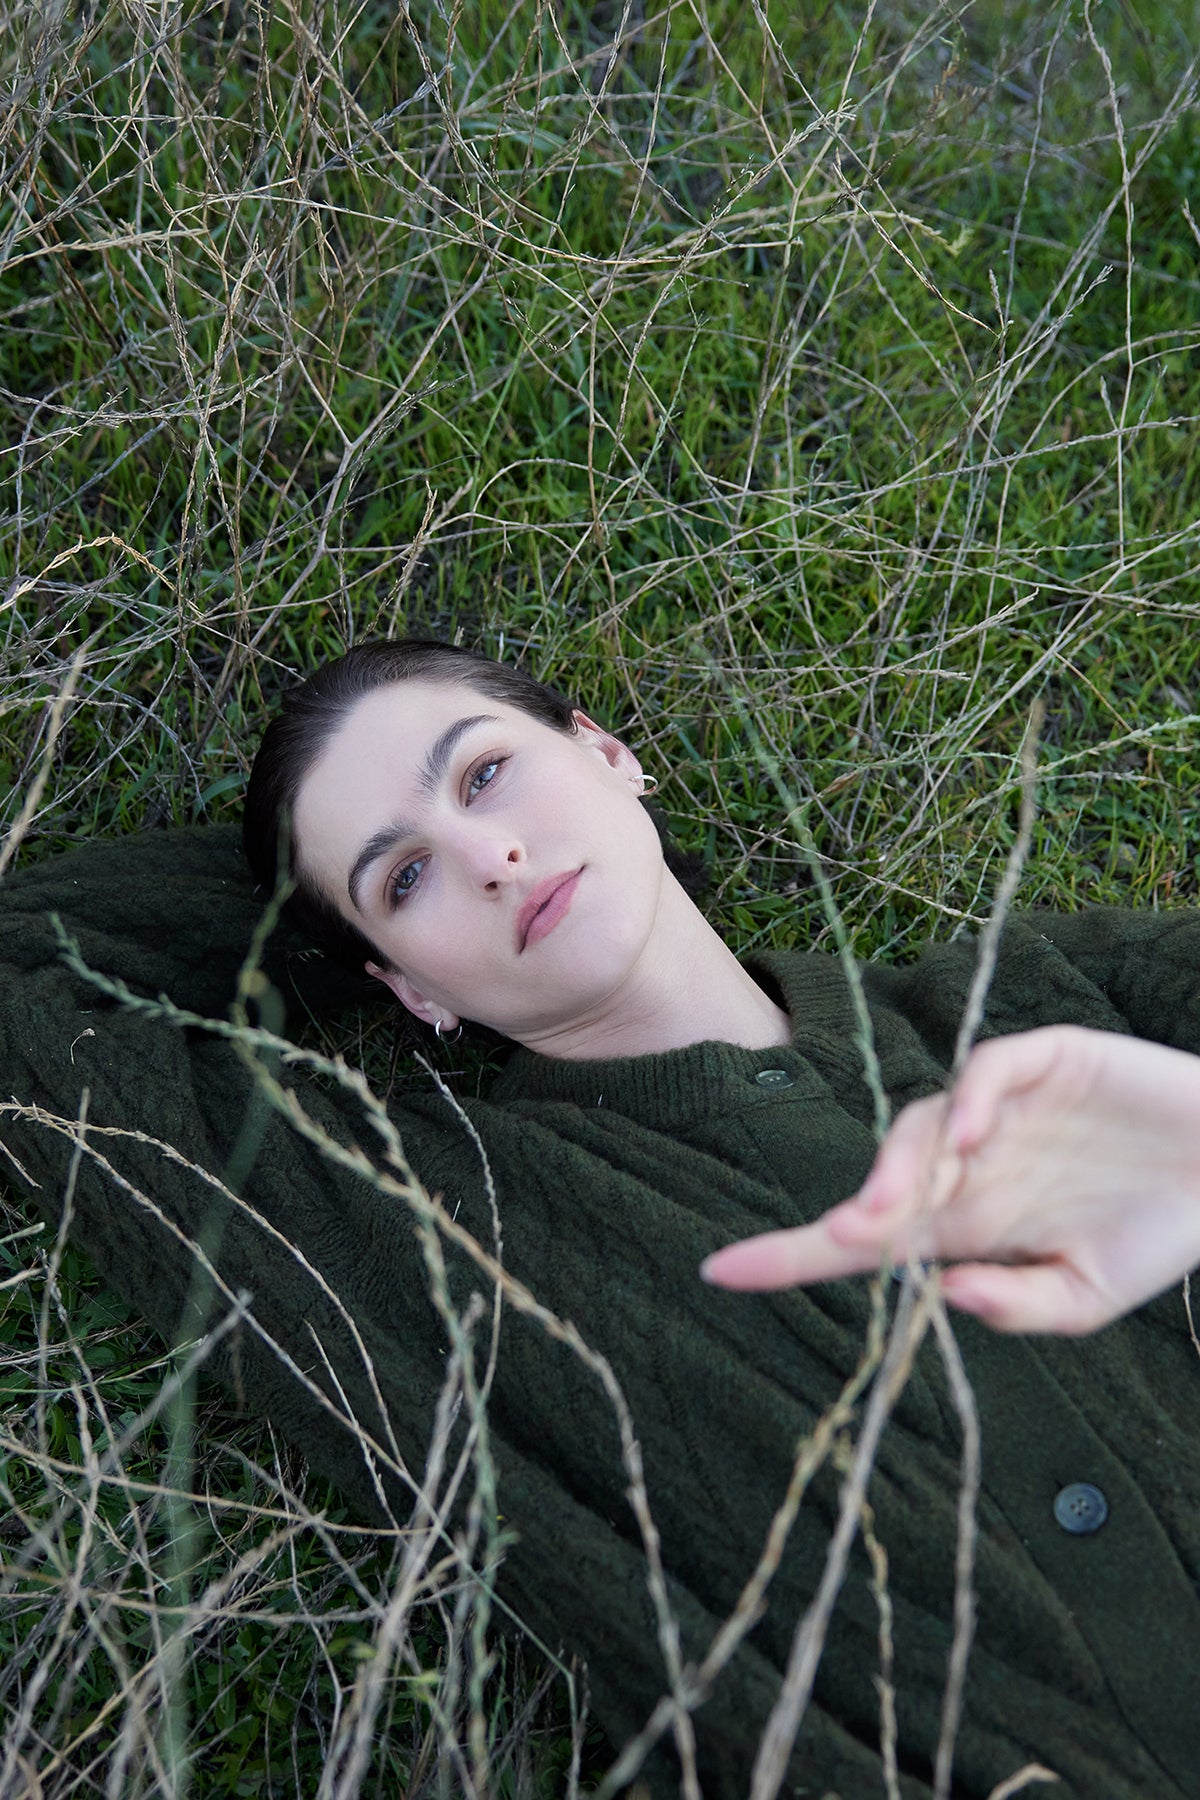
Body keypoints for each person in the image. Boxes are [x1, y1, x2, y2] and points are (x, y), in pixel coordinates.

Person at [3, 637, 1198, 1798]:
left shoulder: (1043, 1005)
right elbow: (20, 981)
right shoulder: (441, 1239)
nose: (493, 855)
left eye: (484, 774)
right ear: (407, 990)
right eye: (405, 876)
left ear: (610, 753)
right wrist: (304, 901)